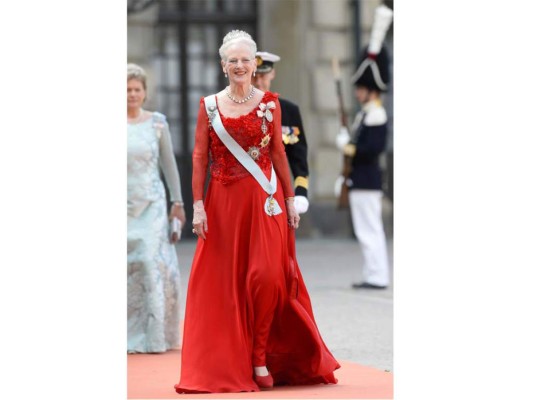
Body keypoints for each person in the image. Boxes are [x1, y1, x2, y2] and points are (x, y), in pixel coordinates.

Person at [175, 30, 339, 393]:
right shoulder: (209, 106)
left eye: (244, 60)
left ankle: (260, 354)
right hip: (223, 206)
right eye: (232, 60)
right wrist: (198, 206)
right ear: (223, 65)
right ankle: (233, 358)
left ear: (253, 64)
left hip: (266, 203)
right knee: (227, 283)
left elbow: (279, 154)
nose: (239, 65)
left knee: (266, 277)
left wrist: (291, 199)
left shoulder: (271, 103)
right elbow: (200, 156)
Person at [127, 63, 186, 353]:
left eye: (137, 89)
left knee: (150, 262)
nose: (132, 94)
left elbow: (169, 165)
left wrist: (178, 201)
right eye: (127, 90)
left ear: (145, 93)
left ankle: (153, 337)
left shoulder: (157, 123)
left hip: (152, 203)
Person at [336, 5, 393, 290]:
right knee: (366, 230)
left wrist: (349, 148)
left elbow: (372, 149)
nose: (357, 92)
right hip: (360, 180)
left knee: (370, 229)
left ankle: (378, 275)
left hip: (368, 181)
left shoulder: (376, 114)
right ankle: (373, 272)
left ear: (371, 88)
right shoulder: (366, 114)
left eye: (361, 87)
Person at [252, 51, 310, 214]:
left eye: (263, 76)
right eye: (254, 76)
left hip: (278, 192)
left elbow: (298, 156)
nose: (258, 82)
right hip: (249, 189)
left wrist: (300, 192)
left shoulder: (288, 111)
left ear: (272, 74)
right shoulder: (239, 109)